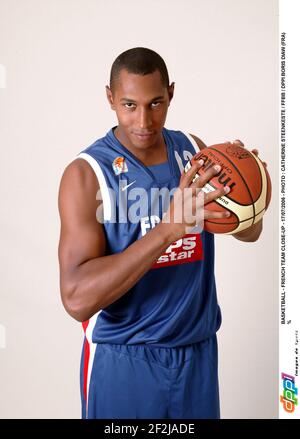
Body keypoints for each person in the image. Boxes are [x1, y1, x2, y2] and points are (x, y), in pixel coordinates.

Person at [58, 47, 264, 419]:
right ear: (110, 98)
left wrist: (252, 197)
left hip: (197, 354)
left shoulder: (195, 153)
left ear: (170, 93)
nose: (144, 121)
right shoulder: (88, 174)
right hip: (126, 360)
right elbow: (76, 299)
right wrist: (167, 230)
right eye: (129, 105)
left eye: (155, 103)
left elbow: (250, 233)